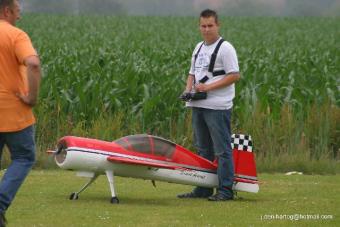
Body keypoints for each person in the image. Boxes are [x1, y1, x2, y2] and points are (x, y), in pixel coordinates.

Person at [178, 9, 240, 201]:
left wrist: (209, 87)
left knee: (222, 150)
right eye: (203, 26)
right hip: (198, 104)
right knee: (203, 149)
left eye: (210, 26)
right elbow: (191, 73)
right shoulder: (198, 47)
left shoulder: (226, 48)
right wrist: (188, 90)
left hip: (218, 107)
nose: (206, 30)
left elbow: (234, 75)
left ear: (217, 25)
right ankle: (203, 188)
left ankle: (226, 190)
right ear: (199, 26)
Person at [0, 0, 41, 225]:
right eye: (17, 11)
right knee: (24, 157)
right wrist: (32, 98)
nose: (19, 17)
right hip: (15, 113)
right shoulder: (15, 35)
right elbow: (33, 64)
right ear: (7, 11)